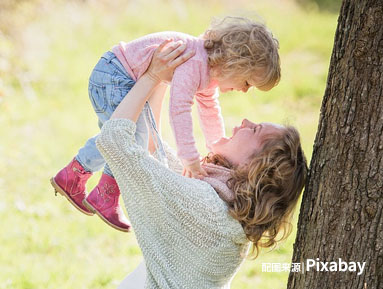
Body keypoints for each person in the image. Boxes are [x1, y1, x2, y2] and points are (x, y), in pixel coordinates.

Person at [95, 40, 307, 288]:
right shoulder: (223, 202)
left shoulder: (206, 208)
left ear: (255, 167)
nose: (246, 121)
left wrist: (152, 75)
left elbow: (114, 142)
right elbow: (155, 150)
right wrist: (167, 79)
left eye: (255, 129)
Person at [50, 16, 281, 232]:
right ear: (235, 63)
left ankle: (74, 176)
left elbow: (210, 111)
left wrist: (216, 148)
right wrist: (189, 158)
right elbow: (179, 109)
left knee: (124, 135)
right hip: (114, 76)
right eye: (247, 82)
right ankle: (103, 193)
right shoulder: (196, 62)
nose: (243, 90)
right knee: (127, 136)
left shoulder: (209, 72)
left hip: (119, 76)